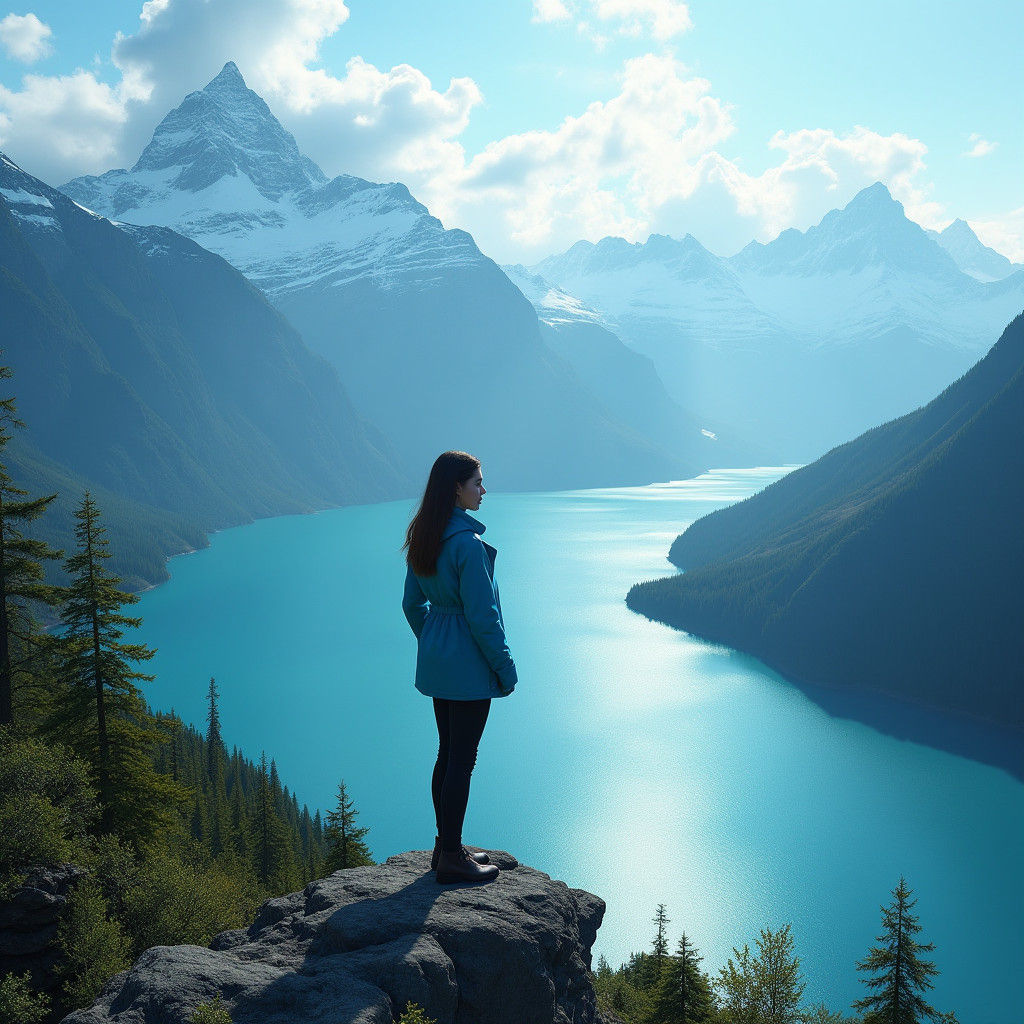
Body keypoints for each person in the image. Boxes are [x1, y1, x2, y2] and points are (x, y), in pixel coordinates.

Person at [402, 451, 517, 884]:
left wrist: (434, 641)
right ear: (457, 487)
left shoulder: (424, 536)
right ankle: (451, 856)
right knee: (462, 759)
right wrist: (505, 668)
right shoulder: (466, 544)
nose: (484, 490)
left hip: (439, 664)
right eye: (478, 483)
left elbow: (412, 604)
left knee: (446, 753)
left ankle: (444, 845)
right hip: (469, 667)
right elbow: (484, 618)